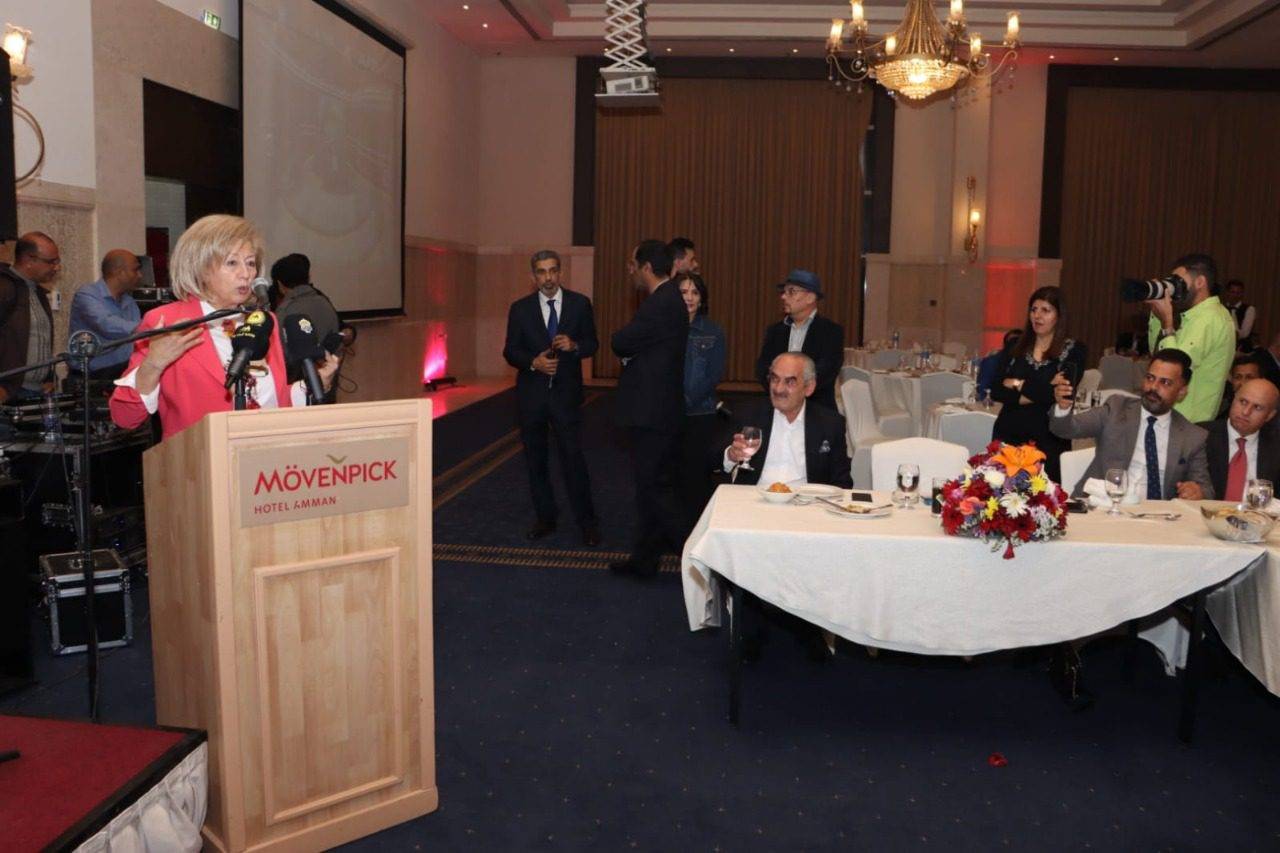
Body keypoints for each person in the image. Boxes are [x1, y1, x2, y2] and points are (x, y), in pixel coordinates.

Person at [109, 215, 339, 440]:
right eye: (232, 263)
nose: (246, 274)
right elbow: (125, 418)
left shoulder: (263, 320)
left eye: (250, 263)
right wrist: (152, 366)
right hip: (199, 459)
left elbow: (271, 402)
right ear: (201, 269)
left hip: (265, 455)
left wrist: (312, 384)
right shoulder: (167, 322)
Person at [501, 249, 601, 547]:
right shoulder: (520, 309)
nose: (548, 277)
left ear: (561, 272)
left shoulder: (579, 304)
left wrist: (575, 345)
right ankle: (546, 518)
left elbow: (592, 343)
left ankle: (587, 523)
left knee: (573, 459)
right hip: (531, 397)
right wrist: (534, 362)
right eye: (542, 272)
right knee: (536, 461)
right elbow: (510, 351)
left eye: (553, 270)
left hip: (566, 396)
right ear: (533, 276)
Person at [609, 239, 687, 578]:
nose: (630, 272)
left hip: (653, 412)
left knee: (656, 491)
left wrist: (628, 352)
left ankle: (701, 555)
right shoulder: (667, 299)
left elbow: (620, 341)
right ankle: (644, 560)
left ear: (646, 268)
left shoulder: (660, 302)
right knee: (650, 488)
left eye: (633, 265)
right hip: (659, 409)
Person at [1049, 349, 1213, 499]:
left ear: (1182, 392)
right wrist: (1062, 408)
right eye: (1150, 378)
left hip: (1158, 517)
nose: (1153, 387)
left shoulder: (1192, 436)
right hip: (1105, 507)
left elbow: (1206, 489)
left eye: (1165, 383)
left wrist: (1197, 491)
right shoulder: (1116, 409)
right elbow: (1066, 428)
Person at [990, 287, 1086, 483]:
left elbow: (1062, 394)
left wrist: (1016, 382)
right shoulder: (1015, 345)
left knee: (1044, 497)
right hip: (1009, 433)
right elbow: (997, 390)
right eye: (1034, 309)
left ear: (1059, 316)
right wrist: (1046, 387)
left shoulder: (1075, 350)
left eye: (1045, 310)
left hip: (1049, 438)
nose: (1037, 316)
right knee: (1002, 495)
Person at [720, 353, 852, 490]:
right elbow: (713, 462)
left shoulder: (830, 423)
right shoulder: (748, 413)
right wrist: (731, 456)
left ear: (809, 387)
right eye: (774, 379)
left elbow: (842, 481)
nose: (778, 389)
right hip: (755, 497)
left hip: (806, 500)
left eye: (790, 382)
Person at [1145, 253, 1235, 423]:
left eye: (1178, 281)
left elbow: (1171, 369)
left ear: (1200, 282)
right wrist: (1158, 316)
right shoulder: (1193, 316)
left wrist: (1167, 324)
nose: (1174, 288)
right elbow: (1157, 357)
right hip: (1175, 419)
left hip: (1189, 423)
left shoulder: (1210, 318)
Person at [755, 269, 844, 411]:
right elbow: (763, 367)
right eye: (784, 292)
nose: (783, 297)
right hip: (778, 407)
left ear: (810, 298)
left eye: (791, 292)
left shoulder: (831, 331)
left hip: (817, 410)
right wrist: (780, 392)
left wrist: (794, 393)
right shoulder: (774, 331)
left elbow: (826, 371)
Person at [677, 272, 726, 530]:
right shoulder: (662, 328)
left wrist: (685, 401)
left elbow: (713, 375)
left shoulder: (713, 331)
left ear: (702, 298)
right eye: (683, 292)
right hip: (665, 415)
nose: (689, 297)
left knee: (696, 478)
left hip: (700, 414)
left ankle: (698, 532)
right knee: (669, 477)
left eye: (694, 292)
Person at [1182, 378, 1280, 503]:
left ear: (1270, 415)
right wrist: (1193, 491)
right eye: (1243, 402)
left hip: (1258, 514)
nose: (1246, 412)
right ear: (1234, 399)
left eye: (1257, 407)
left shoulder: (1275, 445)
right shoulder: (1200, 435)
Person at [0, 232, 60, 404]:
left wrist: (48, 377)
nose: (57, 267)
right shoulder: (4, 288)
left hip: (36, 391)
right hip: (9, 394)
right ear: (29, 260)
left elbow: (41, 340)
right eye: (51, 262)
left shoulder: (38, 292)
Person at [67, 249, 143, 382]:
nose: (140, 275)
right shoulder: (87, 294)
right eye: (135, 270)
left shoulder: (129, 302)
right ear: (119, 272)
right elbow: (105, 324)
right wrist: (146, 327)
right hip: (91, 378)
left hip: (121, 373)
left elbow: (137, 340)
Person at [272, 253, 341, 346]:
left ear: (279, 284)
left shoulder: (284, 311)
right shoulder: (325, 303)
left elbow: (279, 348)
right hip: (328, 355)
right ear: (308, 277)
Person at [976, 329, 1021, 401]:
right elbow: (982, 391)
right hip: (993, 403)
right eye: (1012, 342)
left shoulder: (1024, 363)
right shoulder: (992, 361)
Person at [1217, 353, 1265, 419]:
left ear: (1261, 380)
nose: (1243, 383)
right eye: (1238, 377)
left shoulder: (1268, 408)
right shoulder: (1220, 408)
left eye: (1249, 377)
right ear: (1231, 380)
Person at [1222, 279, 1256, 352]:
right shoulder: (1221, 308)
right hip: (1223, 347)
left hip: (1242, 348)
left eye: (1238, 293)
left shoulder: (1249, 309)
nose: (1235, 295)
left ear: (1242, 294)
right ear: (1227, 293)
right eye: (1232, 292)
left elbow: (1244, 333)